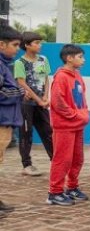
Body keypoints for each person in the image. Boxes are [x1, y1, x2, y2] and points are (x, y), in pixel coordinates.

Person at [46, 44, 89, 209]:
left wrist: (82, 114)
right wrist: (76, 115)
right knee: (62, 159)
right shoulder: (61, 77)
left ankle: (72, 187)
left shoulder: (77, 75)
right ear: (69, 58)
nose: (83, 60)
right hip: (64, 126)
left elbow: (81, 99)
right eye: (80, 56)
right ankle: (54, 192)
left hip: (77, 125)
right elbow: (58, 102)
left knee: (77, 158)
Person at [14, 31, 53, 177]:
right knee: (26, 133)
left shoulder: (43, 59)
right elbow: (22, 83)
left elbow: (46, 79)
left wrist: (46, 96)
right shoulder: (20, 63)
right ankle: (27, 165)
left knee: (48, 132)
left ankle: (55, 160)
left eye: (40, 42)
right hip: (26, 104)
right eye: (36, 43)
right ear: (27, 45)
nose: (39, 45)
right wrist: (38, 100)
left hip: (42, 103)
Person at [0, 26, 24, 214]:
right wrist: (20, 91)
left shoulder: (4, 64)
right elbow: (4, 93)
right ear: (2, 44)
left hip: (6, 120)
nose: (17, 49)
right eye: (15, 45)